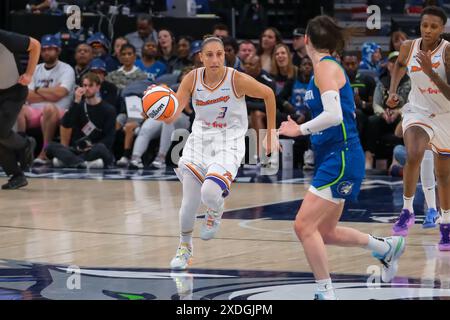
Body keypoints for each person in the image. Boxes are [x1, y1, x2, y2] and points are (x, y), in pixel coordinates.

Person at [278, 16, 405, 300]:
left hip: (341, 156)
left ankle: (325, 293)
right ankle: (386, 248)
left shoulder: (324, 68)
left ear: (307, 40)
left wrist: (298, 129)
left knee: (303, 226)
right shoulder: (324, 68)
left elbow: (334, 116)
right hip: (335, 156)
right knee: (325, 231)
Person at [163, 36, 279, 271]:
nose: (215, 59)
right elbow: (172, 115)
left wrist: (271, 132)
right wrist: (159, 101)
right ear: (201, 57)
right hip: (199, 142)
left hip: (230, 141)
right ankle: (185, 248)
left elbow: (268, 94)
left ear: (224, 56)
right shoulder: (191, 78)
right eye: (209, 55)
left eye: (219, 54)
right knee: (188, 204)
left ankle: (215, 209)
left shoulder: (235, 79)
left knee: (209, 192)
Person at [387, 6, 450, 250]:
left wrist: (431, 73)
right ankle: (407, 210)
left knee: (444, 176)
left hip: (445, 115)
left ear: (442, 29)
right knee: (413, 154)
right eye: (425, 25)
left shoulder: (447, 53)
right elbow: (399, 65)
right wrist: (393, 92)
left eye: (434, 26)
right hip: (417, 110)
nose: (428, 30)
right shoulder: (408, 47)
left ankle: (446, 225)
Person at [17, 34, 75, 165]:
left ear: (58, 50)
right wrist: (50, 93)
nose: (46, 52)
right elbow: (27, 95)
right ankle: (20, 150)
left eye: (50, 48)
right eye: (44, 49)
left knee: (48, 109)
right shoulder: (35, 68)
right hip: (35, 111)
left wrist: (37, 90)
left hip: (60, 110)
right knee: (18, 108)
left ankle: (45, 152)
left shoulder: (66, 69)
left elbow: (60, 94)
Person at [46, 72, 116, 169]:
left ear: (98, 87)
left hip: (95, 148)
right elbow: (66, 124)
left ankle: (70, 161)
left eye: (90, 86)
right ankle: (82, 163)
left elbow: (109, 138)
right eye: (84, 85)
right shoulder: (78, 106)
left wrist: (91, 146)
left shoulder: (109, 109)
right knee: (49, 146)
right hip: (78, 149)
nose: (87, 88)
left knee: (101, 148)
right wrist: (76, 101)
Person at [0, 29, 40, 189]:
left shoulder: (4, 38)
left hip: (14, 91)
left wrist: (29, 74)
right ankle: (16, 175)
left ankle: (25, 145)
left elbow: (36, 45)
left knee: (1, 131)